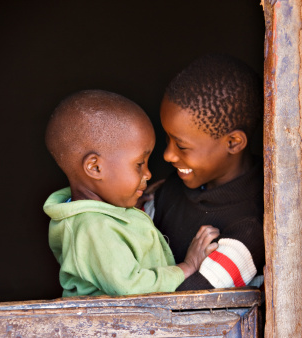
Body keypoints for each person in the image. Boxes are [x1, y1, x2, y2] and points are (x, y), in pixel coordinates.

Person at [43, 89, 219, 297]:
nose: (148, 173)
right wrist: (187, 267)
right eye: (139, 164)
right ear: (96, 168)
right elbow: (131, 287)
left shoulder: (101, 216)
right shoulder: (92, 227)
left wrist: (131, 207)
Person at [149, 54, 265, 291]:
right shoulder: (169, 190)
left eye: (181, 146)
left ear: (233, 142)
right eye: (167, 138)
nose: (168, 155)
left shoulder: (249, 228)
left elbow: (182, 306)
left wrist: (188, 265)